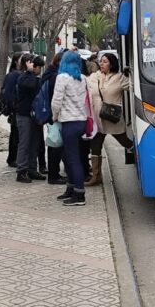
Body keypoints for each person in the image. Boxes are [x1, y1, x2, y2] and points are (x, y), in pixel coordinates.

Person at [51, 51, 90, 206]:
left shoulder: (62, 78)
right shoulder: (83, 78)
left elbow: (56, 101)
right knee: (71, 157)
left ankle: (79, 194)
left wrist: (54, 117)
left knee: (71, 159)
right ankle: (71, 188)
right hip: (81, 121)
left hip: (69, 122)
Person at [87, 52, 132, 186]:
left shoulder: (120, 78)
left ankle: (144, 160)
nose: (101, 64)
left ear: (112, 64)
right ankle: (96, 176)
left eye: (105, 61)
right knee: (95, 147)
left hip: (112, 119)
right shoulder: (94, 77)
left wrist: (131, 74)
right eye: (101, 61)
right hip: (97, 119)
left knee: (127, 143)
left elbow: (134, 88)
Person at [14, 54, 46, 183]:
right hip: (24, 114)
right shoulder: (23, 77)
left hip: (34, 115)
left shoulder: (35, 78)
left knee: (35, 143)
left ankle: (32, 168)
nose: (39, 71)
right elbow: (30, 86)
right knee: (25, 143)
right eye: (38, 68)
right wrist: (30, 72)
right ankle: (21, 171)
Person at [42, 52, 68, 185]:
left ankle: (54, 173)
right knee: (56, 145)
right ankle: (54, 175)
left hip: (51, 115)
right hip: (55, 116)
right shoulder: (56, 77)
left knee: (54, 144)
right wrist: (56, 115)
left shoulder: (49, 74)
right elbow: (56, 99)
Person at [2, 52, 23, 168]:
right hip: (15, 110)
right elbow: (8, 94)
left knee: (17, 135)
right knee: (15, 135)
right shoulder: (13, 75)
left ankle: (15, 157)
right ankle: (12, 158)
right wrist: (12, 107)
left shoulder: (21, 74)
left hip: (17, 109)